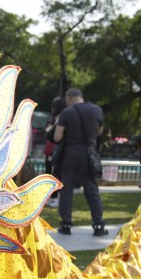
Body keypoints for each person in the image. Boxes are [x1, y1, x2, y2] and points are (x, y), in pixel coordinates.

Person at [52, 87, 108, 236]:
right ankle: (98, 225)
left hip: (69, 155)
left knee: (66, 190)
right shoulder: (97, 110)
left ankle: (66, 224)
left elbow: (57, 137)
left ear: (68, 98)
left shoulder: (67, 112)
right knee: (92, 190)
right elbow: (99, 131)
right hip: (89, 155)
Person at [43, 96, 64, 208]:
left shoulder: (61, 118)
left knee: (55, 174)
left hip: (55, 149)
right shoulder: (53, 118)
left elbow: (50, 132)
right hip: (51, 149)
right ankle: (50, 196)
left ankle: (55, 197)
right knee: (49, 172)